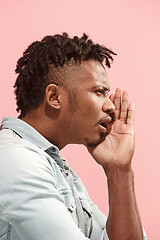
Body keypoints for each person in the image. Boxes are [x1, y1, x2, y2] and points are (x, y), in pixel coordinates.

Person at [0, 33, 147, 240]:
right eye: (99, 91)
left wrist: (119, 170)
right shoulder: (15, 159)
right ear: (54, 97)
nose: (110, 106)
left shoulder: (58, 169)